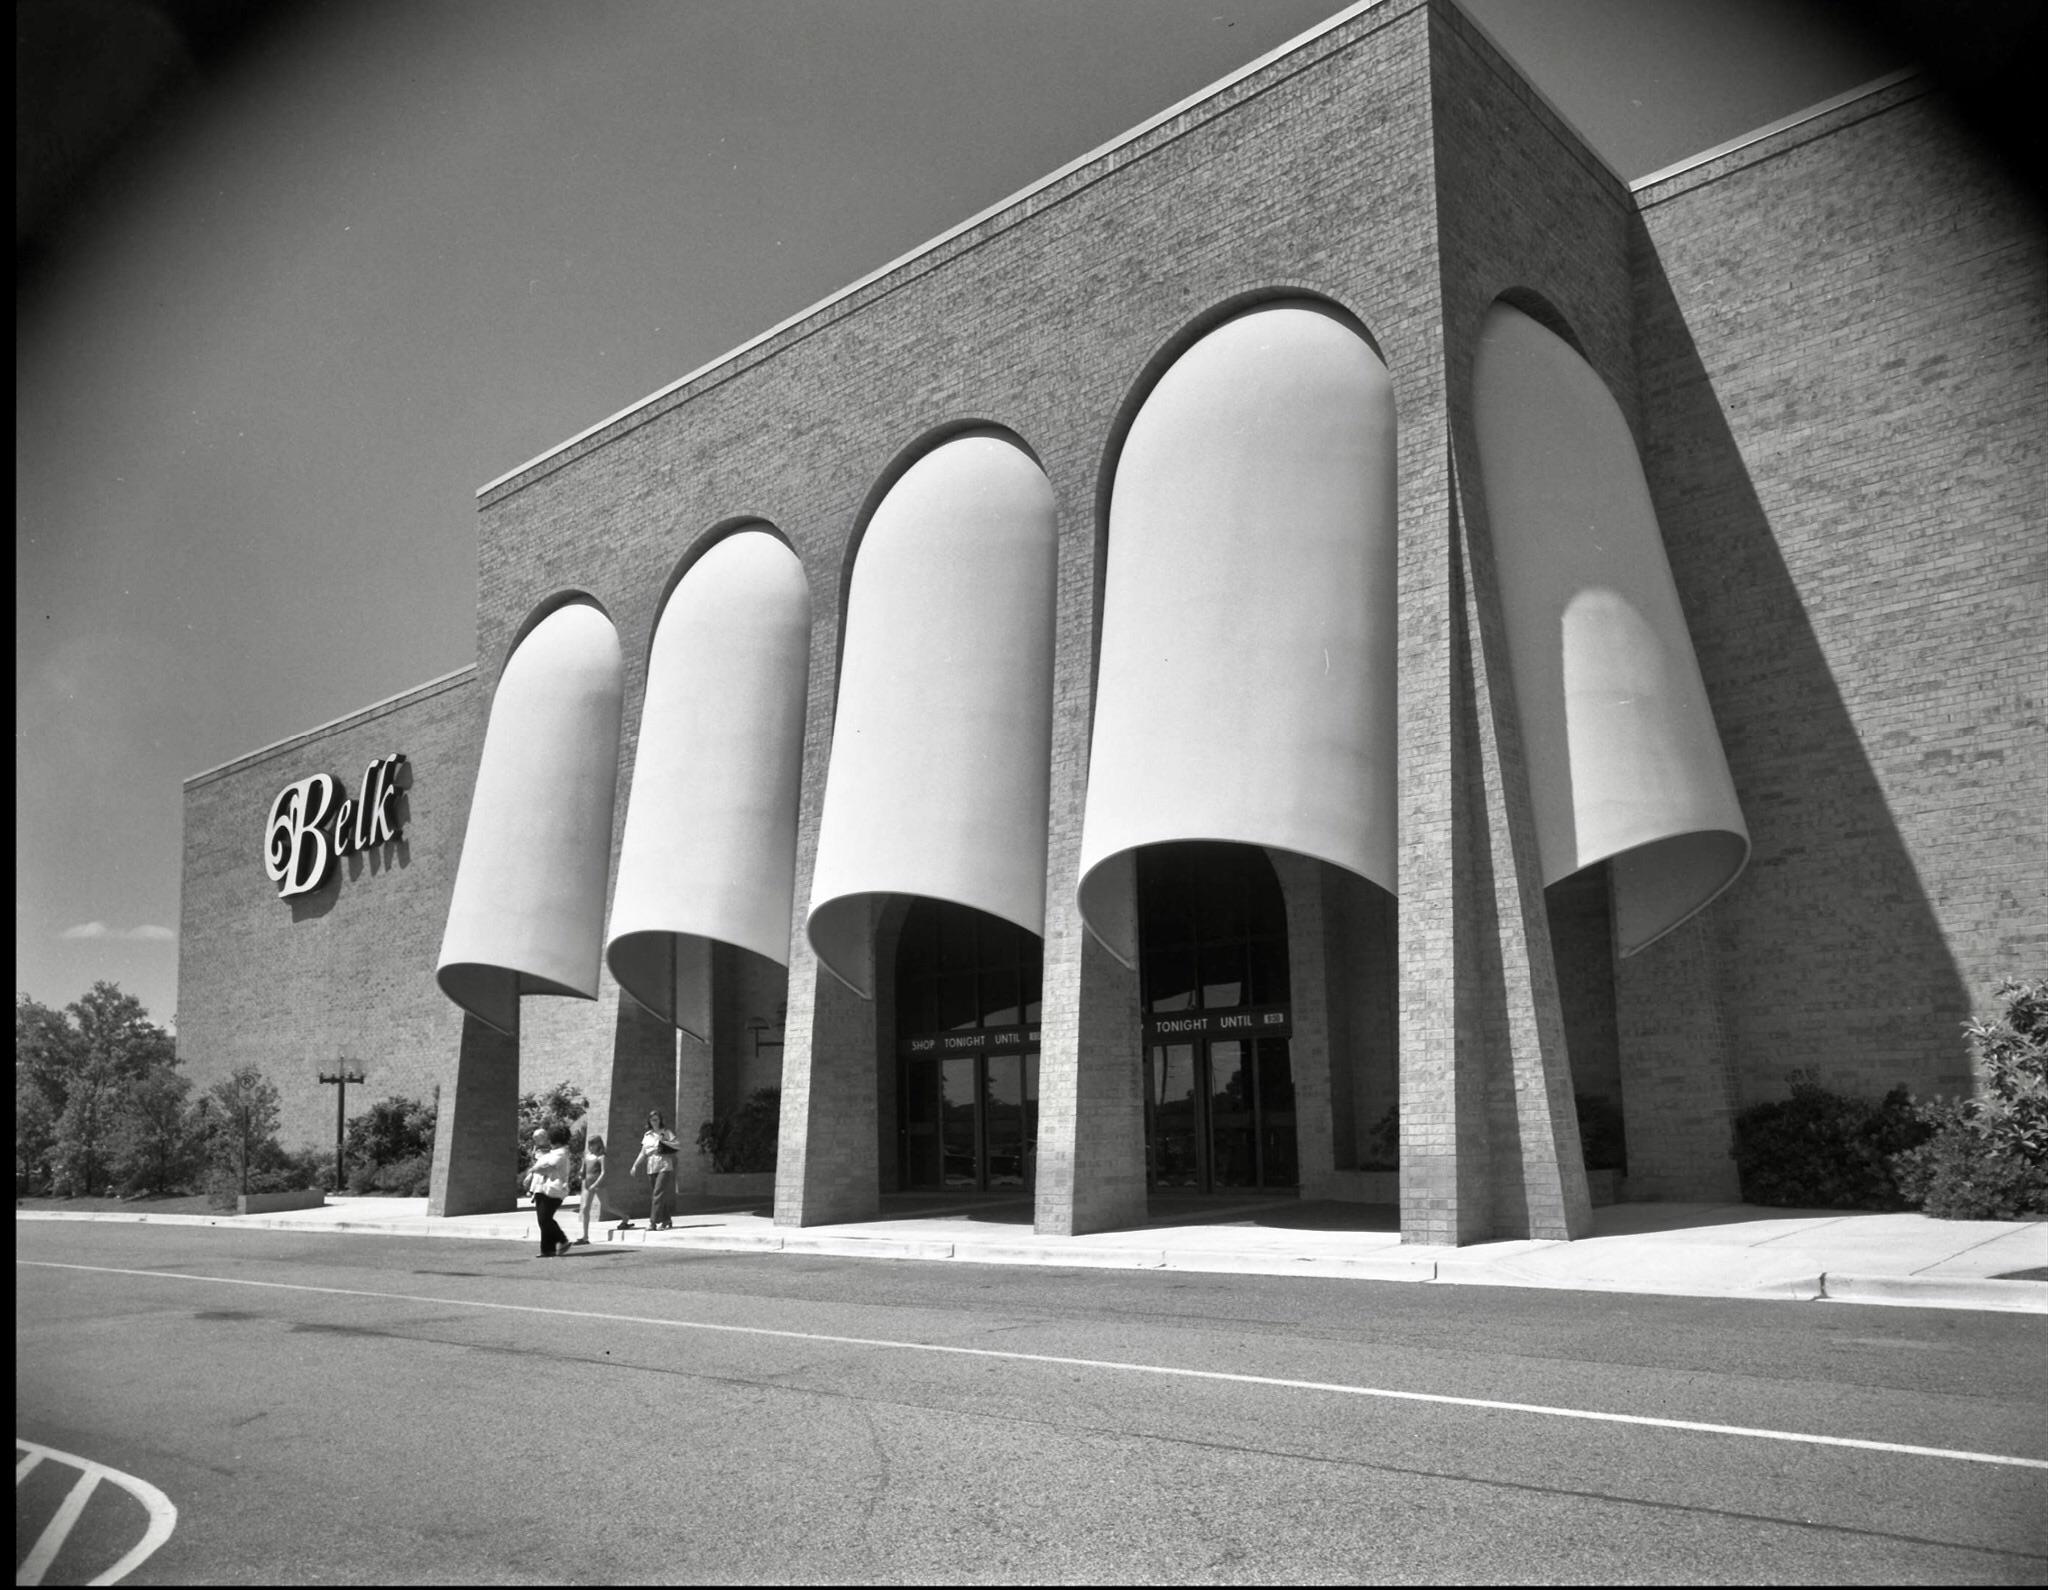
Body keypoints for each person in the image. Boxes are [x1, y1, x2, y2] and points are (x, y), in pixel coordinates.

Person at [526, 1123, 573, 1258]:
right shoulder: (553, 1153)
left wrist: (533, 1170)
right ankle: (547, 1249)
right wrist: (531, 1175)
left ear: (554, 1139)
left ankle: (562, 1240)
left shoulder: (561, 1153)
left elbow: (549, 1167)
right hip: (542, 1189)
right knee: (543, 1220)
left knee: (544, 1219)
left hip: (552, 1190)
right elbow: (541, 1164)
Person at [630, 1109, 681, 1231]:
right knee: (658, 1195)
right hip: (651, 1166)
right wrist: (635, 1165)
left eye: (656, 1119)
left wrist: (664, 1144)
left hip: (664, 1165)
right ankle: (666, 1220)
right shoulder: (647, 1135)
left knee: (657, 1194)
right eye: (652, 1120)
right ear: (649, 1121)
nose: (654, 1122)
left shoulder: (666, 1132)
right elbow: (643, 1153)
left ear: (660, 1120)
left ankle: (653, 1222)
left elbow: (677, 1145)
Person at [574, 1134, 606, 1246]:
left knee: (606, 1206)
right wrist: (580, 1174)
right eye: (590, 1144)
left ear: (599, 1144)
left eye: (593, 1144)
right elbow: (583, 1170)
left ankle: (624, 1217)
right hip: (588, 1185)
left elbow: (603, 1173)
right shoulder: (587, 1156)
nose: (591, 1146)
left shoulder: (601, 1157)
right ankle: (585, 1236)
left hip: (598, 1185)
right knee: (585, 1209)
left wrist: (596, 1184)